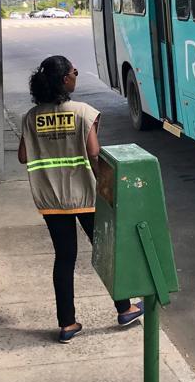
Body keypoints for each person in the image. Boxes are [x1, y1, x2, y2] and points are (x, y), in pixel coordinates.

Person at [18, 55, 144, 343]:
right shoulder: (84, 112)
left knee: (64, 258)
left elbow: (24, 156)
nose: (77, 74)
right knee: (105, 251)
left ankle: (67, 324)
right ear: (65, 80)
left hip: (50, 199)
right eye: (74, 71)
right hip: (86, 196)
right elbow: (94, 152)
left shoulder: (31, 117)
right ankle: (124, 308)